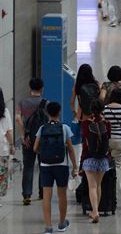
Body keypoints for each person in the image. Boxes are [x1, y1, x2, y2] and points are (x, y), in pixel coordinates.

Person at [34, 102, 78, 234]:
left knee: (47, 196)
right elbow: (70, 149)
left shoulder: (42, 128)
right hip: (61, 165)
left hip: (46, 166)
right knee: (62, 194)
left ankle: (48, 227)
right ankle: (61, 224)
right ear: (59, 112)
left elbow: (35, 148)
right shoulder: (64, 128)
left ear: (47, 113)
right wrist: (75, 166)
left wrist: (45, 153)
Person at [80, 101, 111, 223]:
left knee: (91, 186)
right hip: (103, 158)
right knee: (98, 185)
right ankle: (95, 211)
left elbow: (84, 140)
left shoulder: (86, 123)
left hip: (89, 158)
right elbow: (108, 137)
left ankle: (95, 212)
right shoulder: (106, 123)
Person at [16, 77, 45, 205]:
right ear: (42, 89)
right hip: (42, 139)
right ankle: (42, 192)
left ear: (29, 88)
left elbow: (18, 118)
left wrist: (23, 136)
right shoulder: (46, 103)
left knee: (28, 166)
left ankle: (27, 195)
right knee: (43, 165)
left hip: (28, 138)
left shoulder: (22, 103)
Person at [102, 88, 121, 169]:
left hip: (107, 139)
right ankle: (115, 180)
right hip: (120, 140)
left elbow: (101, 123)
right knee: (117, 167)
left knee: (106, 165)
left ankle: (106, 181)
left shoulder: (104, 109)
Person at [0, 87, 15, 207]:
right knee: (1, 174)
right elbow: (8, 131)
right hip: (2, 148)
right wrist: (12, 145)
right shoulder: (4, 111)